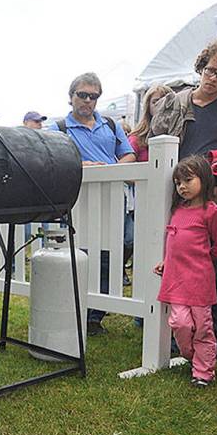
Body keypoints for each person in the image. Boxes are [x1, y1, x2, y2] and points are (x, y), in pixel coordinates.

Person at [153, 36, 217, 365]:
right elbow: (154, 144)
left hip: (216, 201)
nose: (213, 78)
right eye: (210, 70)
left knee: (215, 269)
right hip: (174, 198)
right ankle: (171, 333)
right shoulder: (175, 102)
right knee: (172, 264)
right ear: (201, 67)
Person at [50, 72, 136, 335]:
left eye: (93, 96)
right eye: (83, 95)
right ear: (71, 96)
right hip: (81, 201)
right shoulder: (58, 129)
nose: (88, 100)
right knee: (84, 254)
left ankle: (95, 314)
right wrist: (82, 165)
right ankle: (81, 313)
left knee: (121, 246)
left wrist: (109, 170)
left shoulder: (110, 124)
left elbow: (129, 155)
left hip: (114, 198)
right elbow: (52, 159)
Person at [154, 156, 217, 387]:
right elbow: (173, 242)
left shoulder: (211, 211)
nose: (182, 187)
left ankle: (203, 372)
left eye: (188, 180)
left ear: (204, 180)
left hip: (199, 281)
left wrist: (203, 259)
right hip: (176, 281)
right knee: (180, 323)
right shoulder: (177, 211)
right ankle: (191, 355)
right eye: (178, 183)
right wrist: (167, 261)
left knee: (202, 327)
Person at [128, 84, 172, 161]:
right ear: (148, 106)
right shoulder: (136, 138)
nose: (160, 105)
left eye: (165, 101)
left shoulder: (179, 133)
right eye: (155, 101)